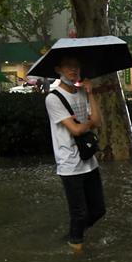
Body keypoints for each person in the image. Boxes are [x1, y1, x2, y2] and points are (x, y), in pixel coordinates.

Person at [45, 55, 105, 251]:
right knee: (79, 213)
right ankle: (76, 247)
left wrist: (91, 92)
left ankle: (73, 235)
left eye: (76, 67)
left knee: (98, 210)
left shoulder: (81, 93)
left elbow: (98, 121)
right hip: (69, 164)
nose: (73, 70)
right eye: (68, 66)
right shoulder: (53, 99)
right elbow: (77, 130)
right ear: (58, 70)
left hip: (89, 160)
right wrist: (87, 124)